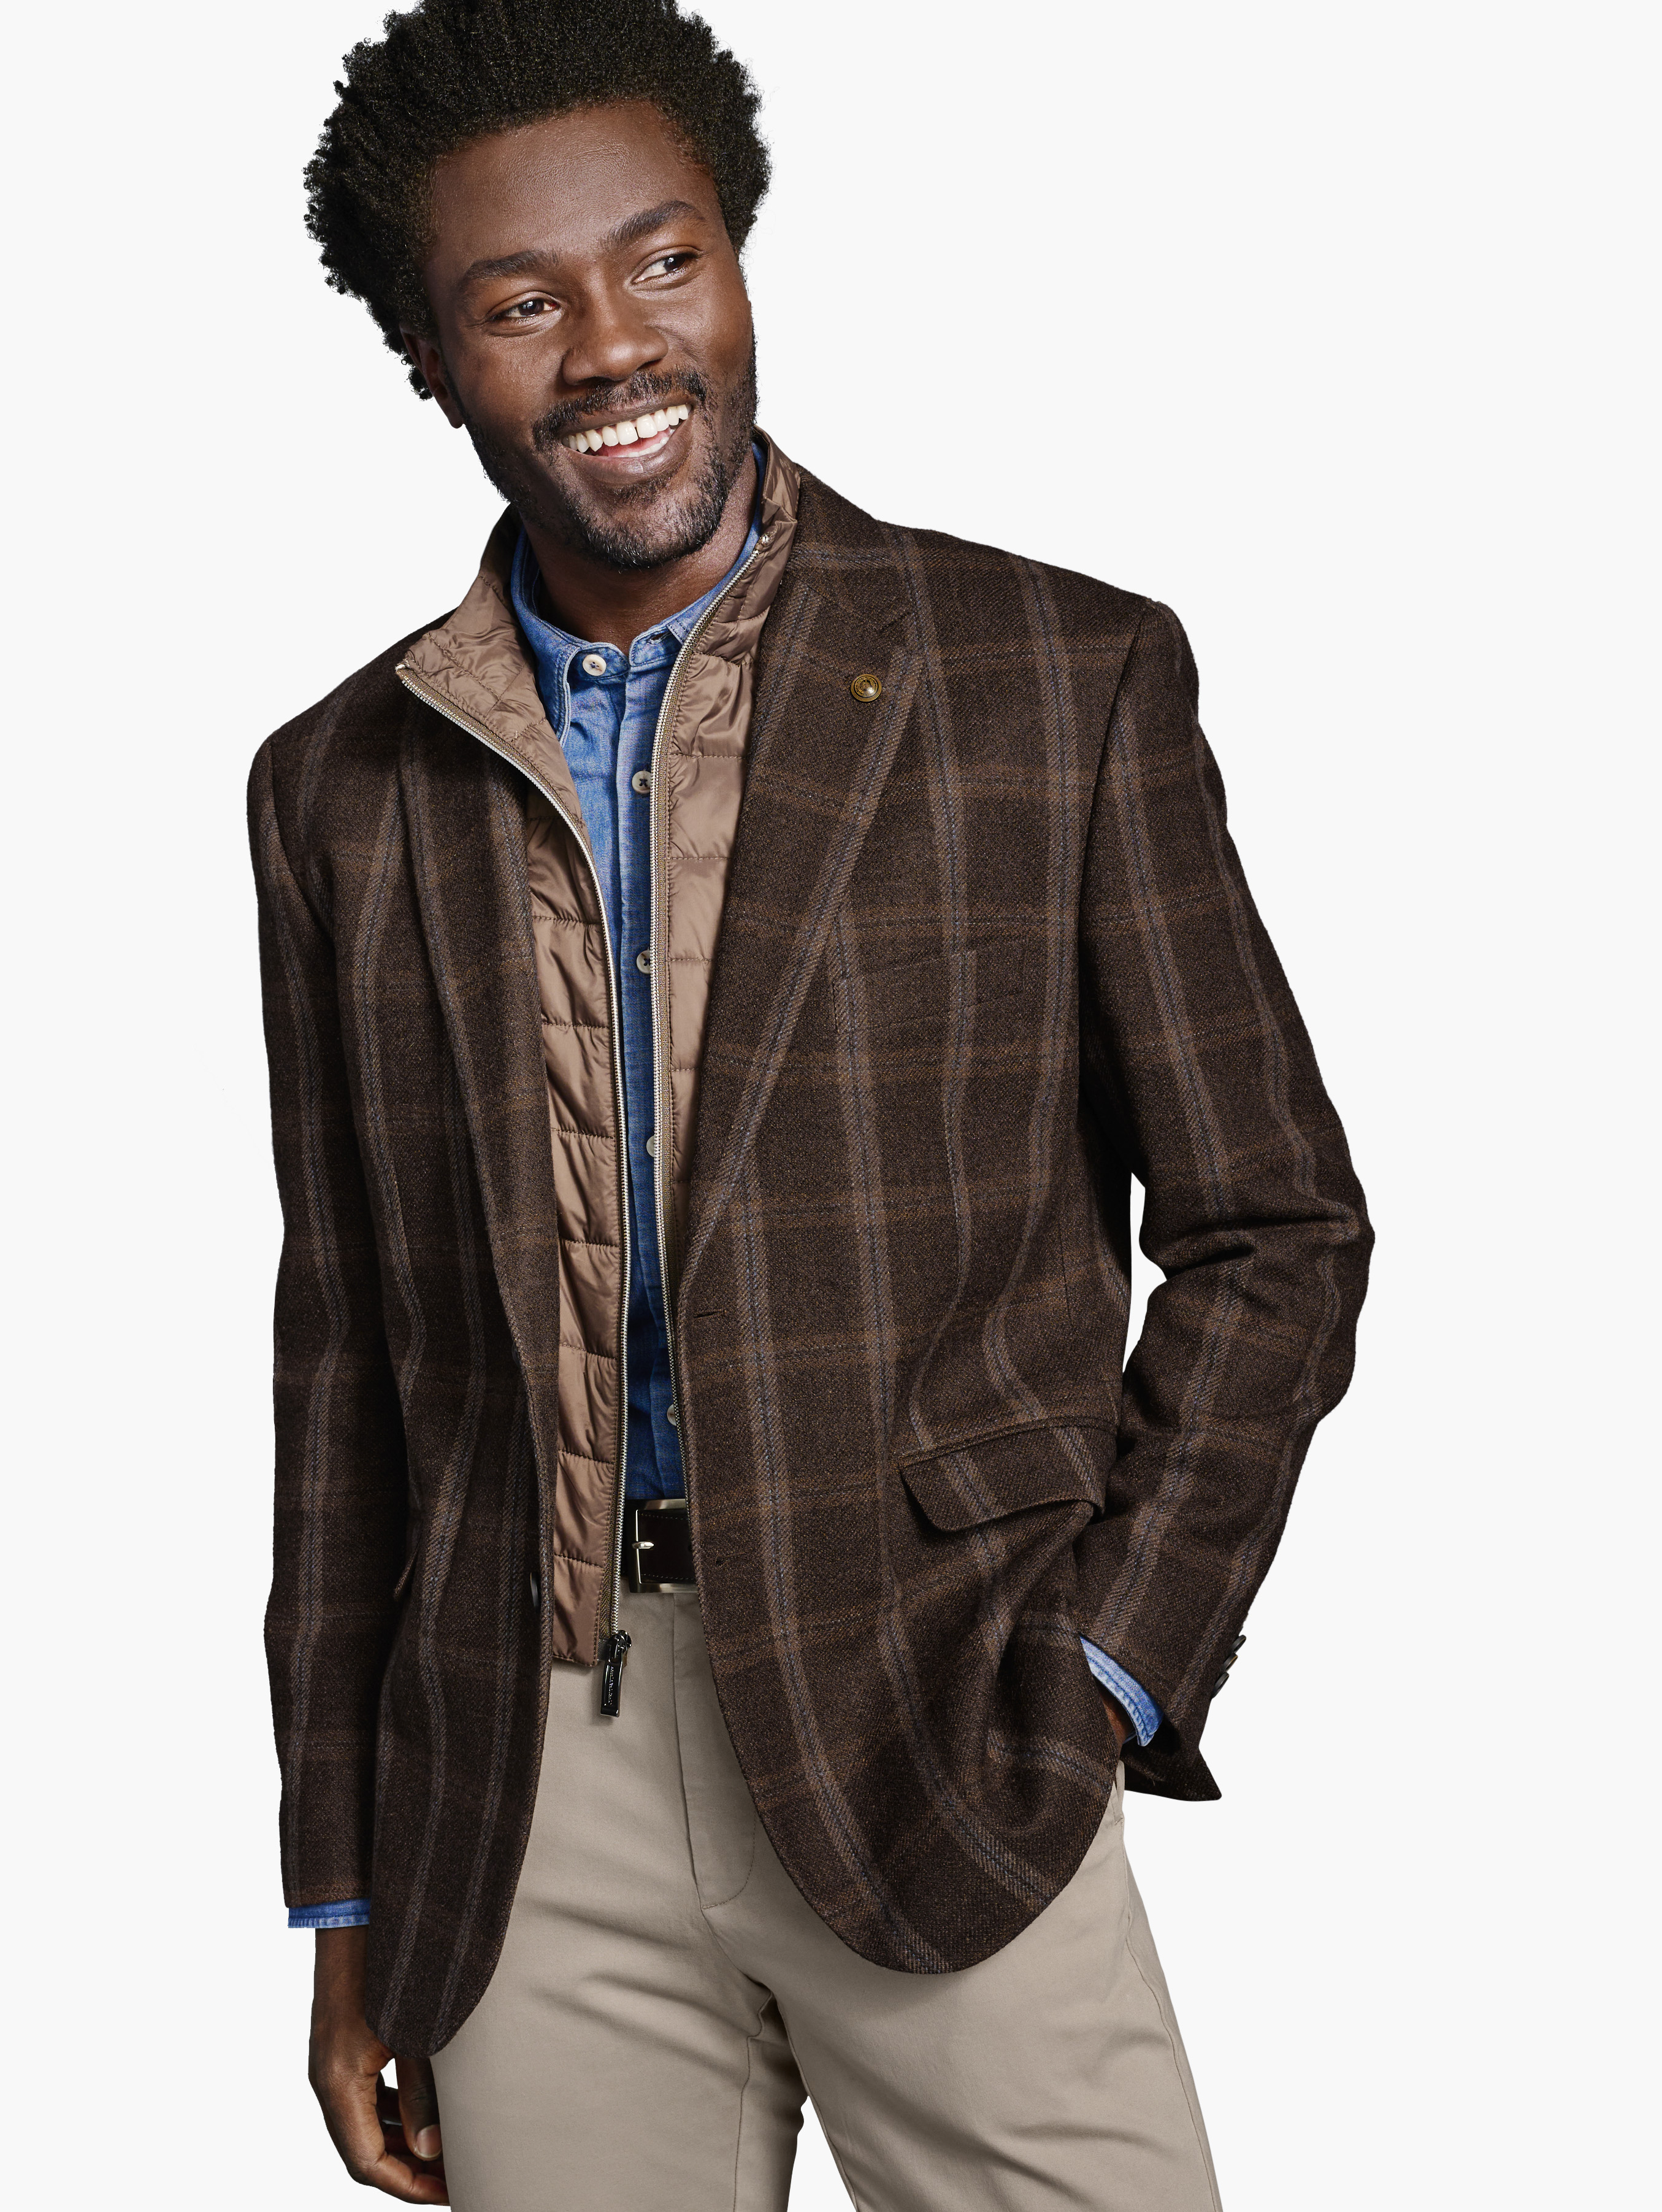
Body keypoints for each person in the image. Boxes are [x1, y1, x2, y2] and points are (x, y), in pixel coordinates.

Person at [250, 3, 1372, 2203]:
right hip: (522, 1784)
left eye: (661, 261)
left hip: (942, 1719)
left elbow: (1273, 1228)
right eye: (519, 302)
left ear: (736, 259)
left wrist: (1109, 1664)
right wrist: (346, 1888)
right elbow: (349, 1358)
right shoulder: (336, 788)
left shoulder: (1052, 677)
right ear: (428, 357)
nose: (612, 345)